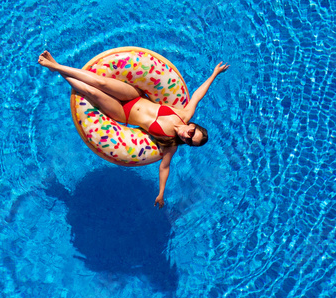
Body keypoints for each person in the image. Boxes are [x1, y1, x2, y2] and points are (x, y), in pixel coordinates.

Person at [38, 51, 229, 208]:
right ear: (192, 126)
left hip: (122, 113)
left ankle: (55, 68)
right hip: (134, 96)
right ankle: (56, 65)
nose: (187, 136)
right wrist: (214, 74)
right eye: (191, 133)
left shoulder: (170, 144)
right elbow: (197, 95)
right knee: (101, 83)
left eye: (189, 141)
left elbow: (164, 168)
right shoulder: (184, 113)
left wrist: (161, 193)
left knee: (92, 92)